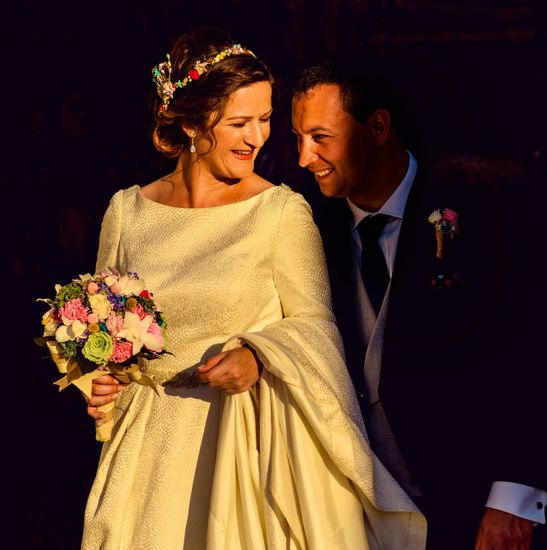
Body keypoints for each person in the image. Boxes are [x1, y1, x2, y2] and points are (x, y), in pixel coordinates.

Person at [82, 28, 424, 549]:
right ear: (194, 122)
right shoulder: (127, 212)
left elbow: (317, 330)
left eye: (265, 120)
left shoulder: (281, 212)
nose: (258, 138)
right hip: (144, 463)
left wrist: (260, 356)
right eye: (240, 122)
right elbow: (102, 329)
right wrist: (99, 379)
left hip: (241, 458)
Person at [289, 59, 547, 548]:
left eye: (320, 137)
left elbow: (536, 348)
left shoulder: (480, 213)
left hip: (468, 504)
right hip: (349, 515)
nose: (305, 157)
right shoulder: (305, 231)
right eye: (298, 138)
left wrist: (512, 496)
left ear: (377, 128)